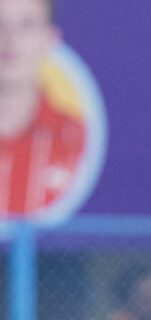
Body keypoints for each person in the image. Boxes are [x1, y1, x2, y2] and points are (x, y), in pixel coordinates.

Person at [0, 0, 85, 217]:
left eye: (26, 25)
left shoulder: (74, 136)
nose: (11, 40)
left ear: (49, 39)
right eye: (0, 24)